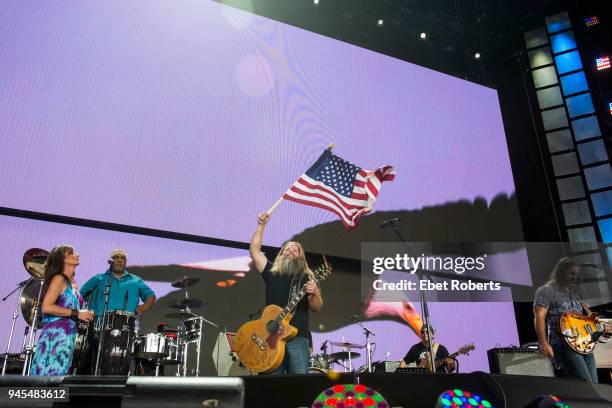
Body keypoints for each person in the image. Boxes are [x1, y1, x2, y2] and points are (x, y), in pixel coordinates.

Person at [250, 212, 323, 374]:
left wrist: (315, 293)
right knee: (270, 388)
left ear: (301, 257)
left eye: (294, 250)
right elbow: (255, 250)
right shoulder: (271, 272)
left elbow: (316, 308)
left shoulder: (308, 277)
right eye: (286, 249)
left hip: (297, 337)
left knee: (296, 387)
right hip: (269, 338)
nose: (289, 251)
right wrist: (261, 225)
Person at [30, 245, 95, 375]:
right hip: (54, 337)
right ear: (62, 259)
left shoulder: (73, 283)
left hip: (68, 337)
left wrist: (85, 314)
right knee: (48, 380)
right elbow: (46, 307)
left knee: (58, 379)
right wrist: (77, 313)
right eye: (71, 252)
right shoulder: (59, 279)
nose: (77, 254)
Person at [534, 257, 598, 383]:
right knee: (586, 385)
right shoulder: (546, 291)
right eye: (571, 273)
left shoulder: (574, 293)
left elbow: (583, 319)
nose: (575, 277)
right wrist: (544, 342)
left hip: (584, 344)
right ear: (561, 273)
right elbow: (539, 316)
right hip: (563, 344)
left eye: (577, 274)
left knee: (594, 385)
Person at [80, 249, 156, 318]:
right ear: (111, 262)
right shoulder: (98, 279)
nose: (119, 260)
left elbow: (151, 296)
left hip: (126, 327)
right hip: (97, 326)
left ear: (126, 262)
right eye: (116, 258)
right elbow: (79, 297)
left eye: (122, 258)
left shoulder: (135, 281)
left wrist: (142, 308)